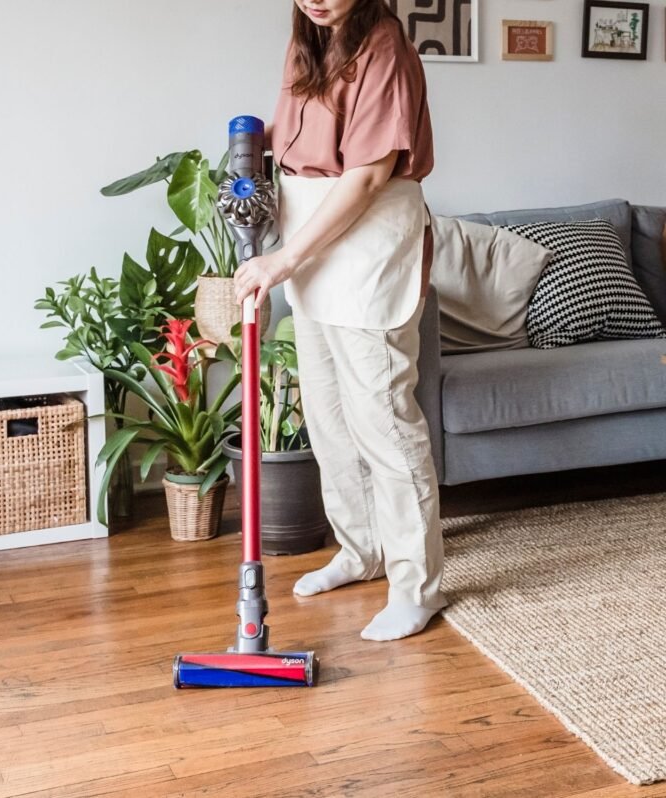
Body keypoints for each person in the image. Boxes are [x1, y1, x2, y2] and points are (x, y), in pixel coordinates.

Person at [233, 0, 446, 641]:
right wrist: (250, 150)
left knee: (383, 419)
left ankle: (417, 585)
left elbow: (368, 175)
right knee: (328, 419)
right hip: (311, 245)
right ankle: (362, 552)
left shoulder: (383, 45)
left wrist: (283, 259)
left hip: (364, 243)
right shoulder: (307, 40)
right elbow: (300, 139)